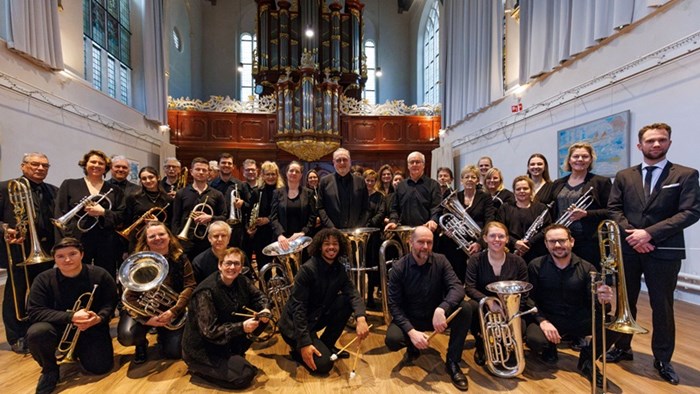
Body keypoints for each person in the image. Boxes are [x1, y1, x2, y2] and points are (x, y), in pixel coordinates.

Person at [606, 123, 700, 385]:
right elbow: (614, 209)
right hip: (629, 248)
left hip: (664, 250)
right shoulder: (624, 176)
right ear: (640, 146)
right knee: (626, 302)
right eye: (650, 141)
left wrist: (649, 234)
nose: (655, 145)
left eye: (661, 140)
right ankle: (622, 347)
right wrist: (633, 235)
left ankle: (662, 358)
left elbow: (691, 211)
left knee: (663, 306)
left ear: (669, 143)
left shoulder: (686, 174)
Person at [526, 224, 617, 387]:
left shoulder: (588, 268)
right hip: (550, 318)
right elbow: (530, 300)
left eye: (562, 240)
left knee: (613, 324)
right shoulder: (535, 266)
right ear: (546, 244)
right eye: (552, 242)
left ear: (572, 241)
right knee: (534, 339)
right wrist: (543, 321)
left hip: (578, 319)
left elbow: (595, 305)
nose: (558, 245)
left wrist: (604, 300)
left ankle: (587, 358)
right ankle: (549, 348)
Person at [26, 237, 118, 394]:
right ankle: (50, 370)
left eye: (72, 254)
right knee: (37, 332)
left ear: (82, 254)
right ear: (54, 258)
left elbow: (110, 302)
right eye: (60, 256)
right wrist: (71, 317)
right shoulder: (43, 279)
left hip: (91, 327)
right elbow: (34, 310)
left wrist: (100, 318)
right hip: (58, 328)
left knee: (100, 368)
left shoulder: (99, 274)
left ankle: (78, 351)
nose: (67, 260)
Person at [385, 226, 470, 391]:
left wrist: (442, 309)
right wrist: (411, 332)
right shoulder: (399, 268)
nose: (425, 247)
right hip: (412, 319)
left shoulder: (441, 260)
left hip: (436, 317)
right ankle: (412, 346)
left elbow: (457, 288)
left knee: (465, 308)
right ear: (411, 243)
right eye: (420, 242)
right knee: (392, 339)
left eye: (429, 242)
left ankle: (453, 362)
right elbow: (394, 306)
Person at [278, 228, 369, 375]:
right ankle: (298, 352)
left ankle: (326, 346)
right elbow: (298, 309)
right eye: (327, 244)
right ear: (320, 246)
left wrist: (361, 317)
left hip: (314, 318)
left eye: (335, 244)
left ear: (340, 247)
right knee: (325, 365)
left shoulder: (339, 268)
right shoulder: (307, 270)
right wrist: (305, 344)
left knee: (346, 301)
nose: (331, 247)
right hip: (295, 327)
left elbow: (352, 293)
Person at [183, 247, 270, 389]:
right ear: (220, 265)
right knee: (244, 376)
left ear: (242, 267)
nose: (232, 267)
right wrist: (241, 327)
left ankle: (235, 355)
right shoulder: (206, 291)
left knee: (261, 319)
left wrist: (265, 309)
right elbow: (209, 332)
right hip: (202, 349)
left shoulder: (241, 280)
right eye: (228, 263)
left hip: (223, 341)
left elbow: (259, 296)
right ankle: (198, 370)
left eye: (236, 264)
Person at [0, 153, 57, 354]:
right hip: (18, 249)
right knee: (16, 293)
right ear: (23, 166)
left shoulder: (52, 191)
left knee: (42, 290)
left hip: (45, 251)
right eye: (35, 164)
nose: (40, 168)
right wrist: (4, 229)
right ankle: (16, 335)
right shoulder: (6, 188)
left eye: (44, 165)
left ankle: (41, 328)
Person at [117, 221, 196, 364]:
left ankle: (163, 334)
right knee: (127, 335)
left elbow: (190, 286)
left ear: (169, 236)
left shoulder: (180, 258)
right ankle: (140, 343)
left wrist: (174, 310)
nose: (158, 238)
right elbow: (128, 297)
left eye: (161, 234)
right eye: (152, 236)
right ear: (146, 240)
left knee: (174, 352)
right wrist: (146, 319)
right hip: (143, 311)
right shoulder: (138, 261)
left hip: (170, 310)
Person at [464, 221, 528, 369]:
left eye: (501, 236)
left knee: (522, 329)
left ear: (507, 239)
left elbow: (524, 290)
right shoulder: (476, 260)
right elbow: (470, 288)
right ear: (485, 238)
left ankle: (505, 345)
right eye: (492, 236)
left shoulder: (518, 262)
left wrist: (513, 311)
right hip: (486, 307)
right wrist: (488, 301)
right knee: (471, 306)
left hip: (510, 309)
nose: (497, 240)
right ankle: (481, 343)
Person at [55, 150, 125, 278]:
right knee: (76, 274)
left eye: (101, 163)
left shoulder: (115, 190)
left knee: (105, 275)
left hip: (106, 240)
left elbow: (121, 216)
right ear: (85, 164)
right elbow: (60, 213)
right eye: (93, 162)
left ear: (106, 168)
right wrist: (64, 242)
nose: (96, 165)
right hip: (77, 238)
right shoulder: (70, 184)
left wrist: (103, 212)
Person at [545, 142, 611, 268]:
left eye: (585, 156)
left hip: (588, 241)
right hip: (561, 240)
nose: (580, 159)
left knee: (588, 274)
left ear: (591, 159)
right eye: (576, 156)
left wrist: (586, 213)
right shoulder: (558, 183)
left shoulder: (600, 182)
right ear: (569, 160)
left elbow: (612, 210)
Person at [438, 165, 494, 282]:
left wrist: (480, 242)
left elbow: (489, 220)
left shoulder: (485, 197)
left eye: (473, 177)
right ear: (461, 180)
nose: (469, 179)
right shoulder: (455, 196)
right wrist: (447, 230)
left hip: (478, 239)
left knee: (477, 273)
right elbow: (445, 217)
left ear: (477, 180)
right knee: (456, 268)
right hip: (456, 241)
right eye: (466, 177)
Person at [172, 157, 226, 261]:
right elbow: (175, 218)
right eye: (198, 169)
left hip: (209, 240)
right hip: (186, 240)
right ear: (191, 172)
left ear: (209, 173)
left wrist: (210, 218)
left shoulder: (217, 194)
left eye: (204, 170)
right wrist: (176, 238)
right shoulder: (182, 193)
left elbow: (224, 217)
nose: (201, 172)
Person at [496, 176, 551, 262]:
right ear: (514, 191)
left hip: (536, 253)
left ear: (531, 190)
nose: (522, 191)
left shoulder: (541, 208)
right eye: (518, 189)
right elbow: (500, 229)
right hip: (510, 252)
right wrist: (514, 242)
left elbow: (546, 229)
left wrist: (528, 243)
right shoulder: (505, 208)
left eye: (525, 188)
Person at [386, 151, 442, 232]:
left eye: (418, 162)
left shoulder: (433, 185)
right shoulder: (401, 186)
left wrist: (433, 220)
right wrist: (393, 221)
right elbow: (395, 208)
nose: (414, 164)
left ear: (423, 165)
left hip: (426, 230)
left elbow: (436, 208)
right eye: (412, 162)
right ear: (408, 166)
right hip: (405, 231)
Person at [121, 166, 173, 251]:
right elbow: (127, 221)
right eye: (144, 179)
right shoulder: (133, 197)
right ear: (141, 181)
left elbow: (171, 223)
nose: (148, 181)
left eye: (151, 177)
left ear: (158, 177)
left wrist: (157, 223)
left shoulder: (168, 199)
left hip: (159, 241)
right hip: (137, 241)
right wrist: (125, 249)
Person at [317, 148, 369, 229]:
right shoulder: (324, 181)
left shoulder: (360, 181)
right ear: (333, 162)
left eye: (345, 159)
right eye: (338, 160)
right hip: (332, 232)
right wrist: (331, 227)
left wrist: (358, 227)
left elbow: (366, 208)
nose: (342, 162)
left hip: (355, 233)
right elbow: (320, 208)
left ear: (350, 161)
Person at [270, 161, 317, 252]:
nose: (294, 173)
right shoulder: (277, 193)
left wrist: (303, 233)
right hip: (283, 241)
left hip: (302, 240)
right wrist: (280, 235)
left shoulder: (308, 193)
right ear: (287, 173)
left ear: (301, 175)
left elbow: (313, 216)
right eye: (291, 171)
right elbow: (273, 216)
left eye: (297, 171)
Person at [247, 161, 283, 267]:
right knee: (263, 265)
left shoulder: (283, 192)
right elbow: (249, 211)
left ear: (277, 175)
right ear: (262, 175)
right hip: (261, 234)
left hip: (278, 233)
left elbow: (284, 213)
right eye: (268, 174)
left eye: (273, 174)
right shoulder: (257, 192)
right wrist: (250, 227)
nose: (271, 177)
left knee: (280, 265)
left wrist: (268, 219)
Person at [212, 153, 250, 248]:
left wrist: (243, 204)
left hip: (237, 228)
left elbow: (250, 206)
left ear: (233, 167)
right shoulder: (211, 185)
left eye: (229, 163)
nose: (226, 165)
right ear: (218, 165)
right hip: (217, 226)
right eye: (223, 163)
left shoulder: (241, 184)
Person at [362, 169, 386, 308]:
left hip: (374, 235)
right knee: (361, 265)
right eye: (367, 180)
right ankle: (361, 297)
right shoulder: (359, 195)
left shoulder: (380, 196)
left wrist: (370, 225)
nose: (370, 183)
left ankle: (371, 297)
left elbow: (381, 213)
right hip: (361, 235)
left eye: (372, 180)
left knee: (372, 267)